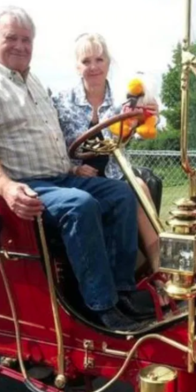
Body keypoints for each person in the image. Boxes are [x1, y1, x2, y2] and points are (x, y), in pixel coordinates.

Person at [0, 6, 154, 331]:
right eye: (11, 38)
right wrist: (7, 187)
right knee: (80, 205)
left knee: (120, 194)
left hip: (63, 177)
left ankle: (123, 289)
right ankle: (101, 307)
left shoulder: (33, 82)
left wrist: (74, 170)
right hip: (27, 184)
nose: (20, 46)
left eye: (26, 39)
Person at [51, 33, 162, 280]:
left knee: (140, 188)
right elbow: (52, 142)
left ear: (108, 63)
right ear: (77, 66)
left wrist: (150, 115)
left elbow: (144, 132)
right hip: (77, 175)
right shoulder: (60, 101)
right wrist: (72, 169)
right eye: (86, 61)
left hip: (114, 171)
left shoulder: (124, 99)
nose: (93, 67)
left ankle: (160, 269)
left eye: (99, 59)